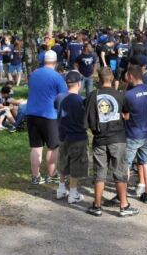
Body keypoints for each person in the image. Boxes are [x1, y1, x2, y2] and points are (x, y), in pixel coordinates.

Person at [85, 67, 139, 217]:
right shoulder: (120, 95)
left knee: (99, 173)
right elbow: (127, 116)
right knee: (120, 172)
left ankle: (97, 206)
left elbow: (87, 120)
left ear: (99, 80)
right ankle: (124, 205)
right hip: (118, 139)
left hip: (99, 139)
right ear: (113, 78)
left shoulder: (92, 95)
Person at [25, 50, 68, 185]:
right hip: (50, 115)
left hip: (31, 113)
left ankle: (35, 176)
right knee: (53, 146)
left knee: (36, 147)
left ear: (44, 60)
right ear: (55, 62)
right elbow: (63, 96)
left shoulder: (33, 74)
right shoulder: (57, 77)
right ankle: (51, 174)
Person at [124, 65, 147, 204]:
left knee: (125, 164)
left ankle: (122, 193)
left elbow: (125, 115)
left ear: (131, 77)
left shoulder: (129, 95)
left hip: (133, 133)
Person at [56, 71, 88, 205]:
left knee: (63, 162)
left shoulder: (60, 98)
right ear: (79, 84)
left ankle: (61, 188)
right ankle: (73, 193)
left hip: (63, 135)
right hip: (77, 136)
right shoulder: (80, 101)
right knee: (76, 163)